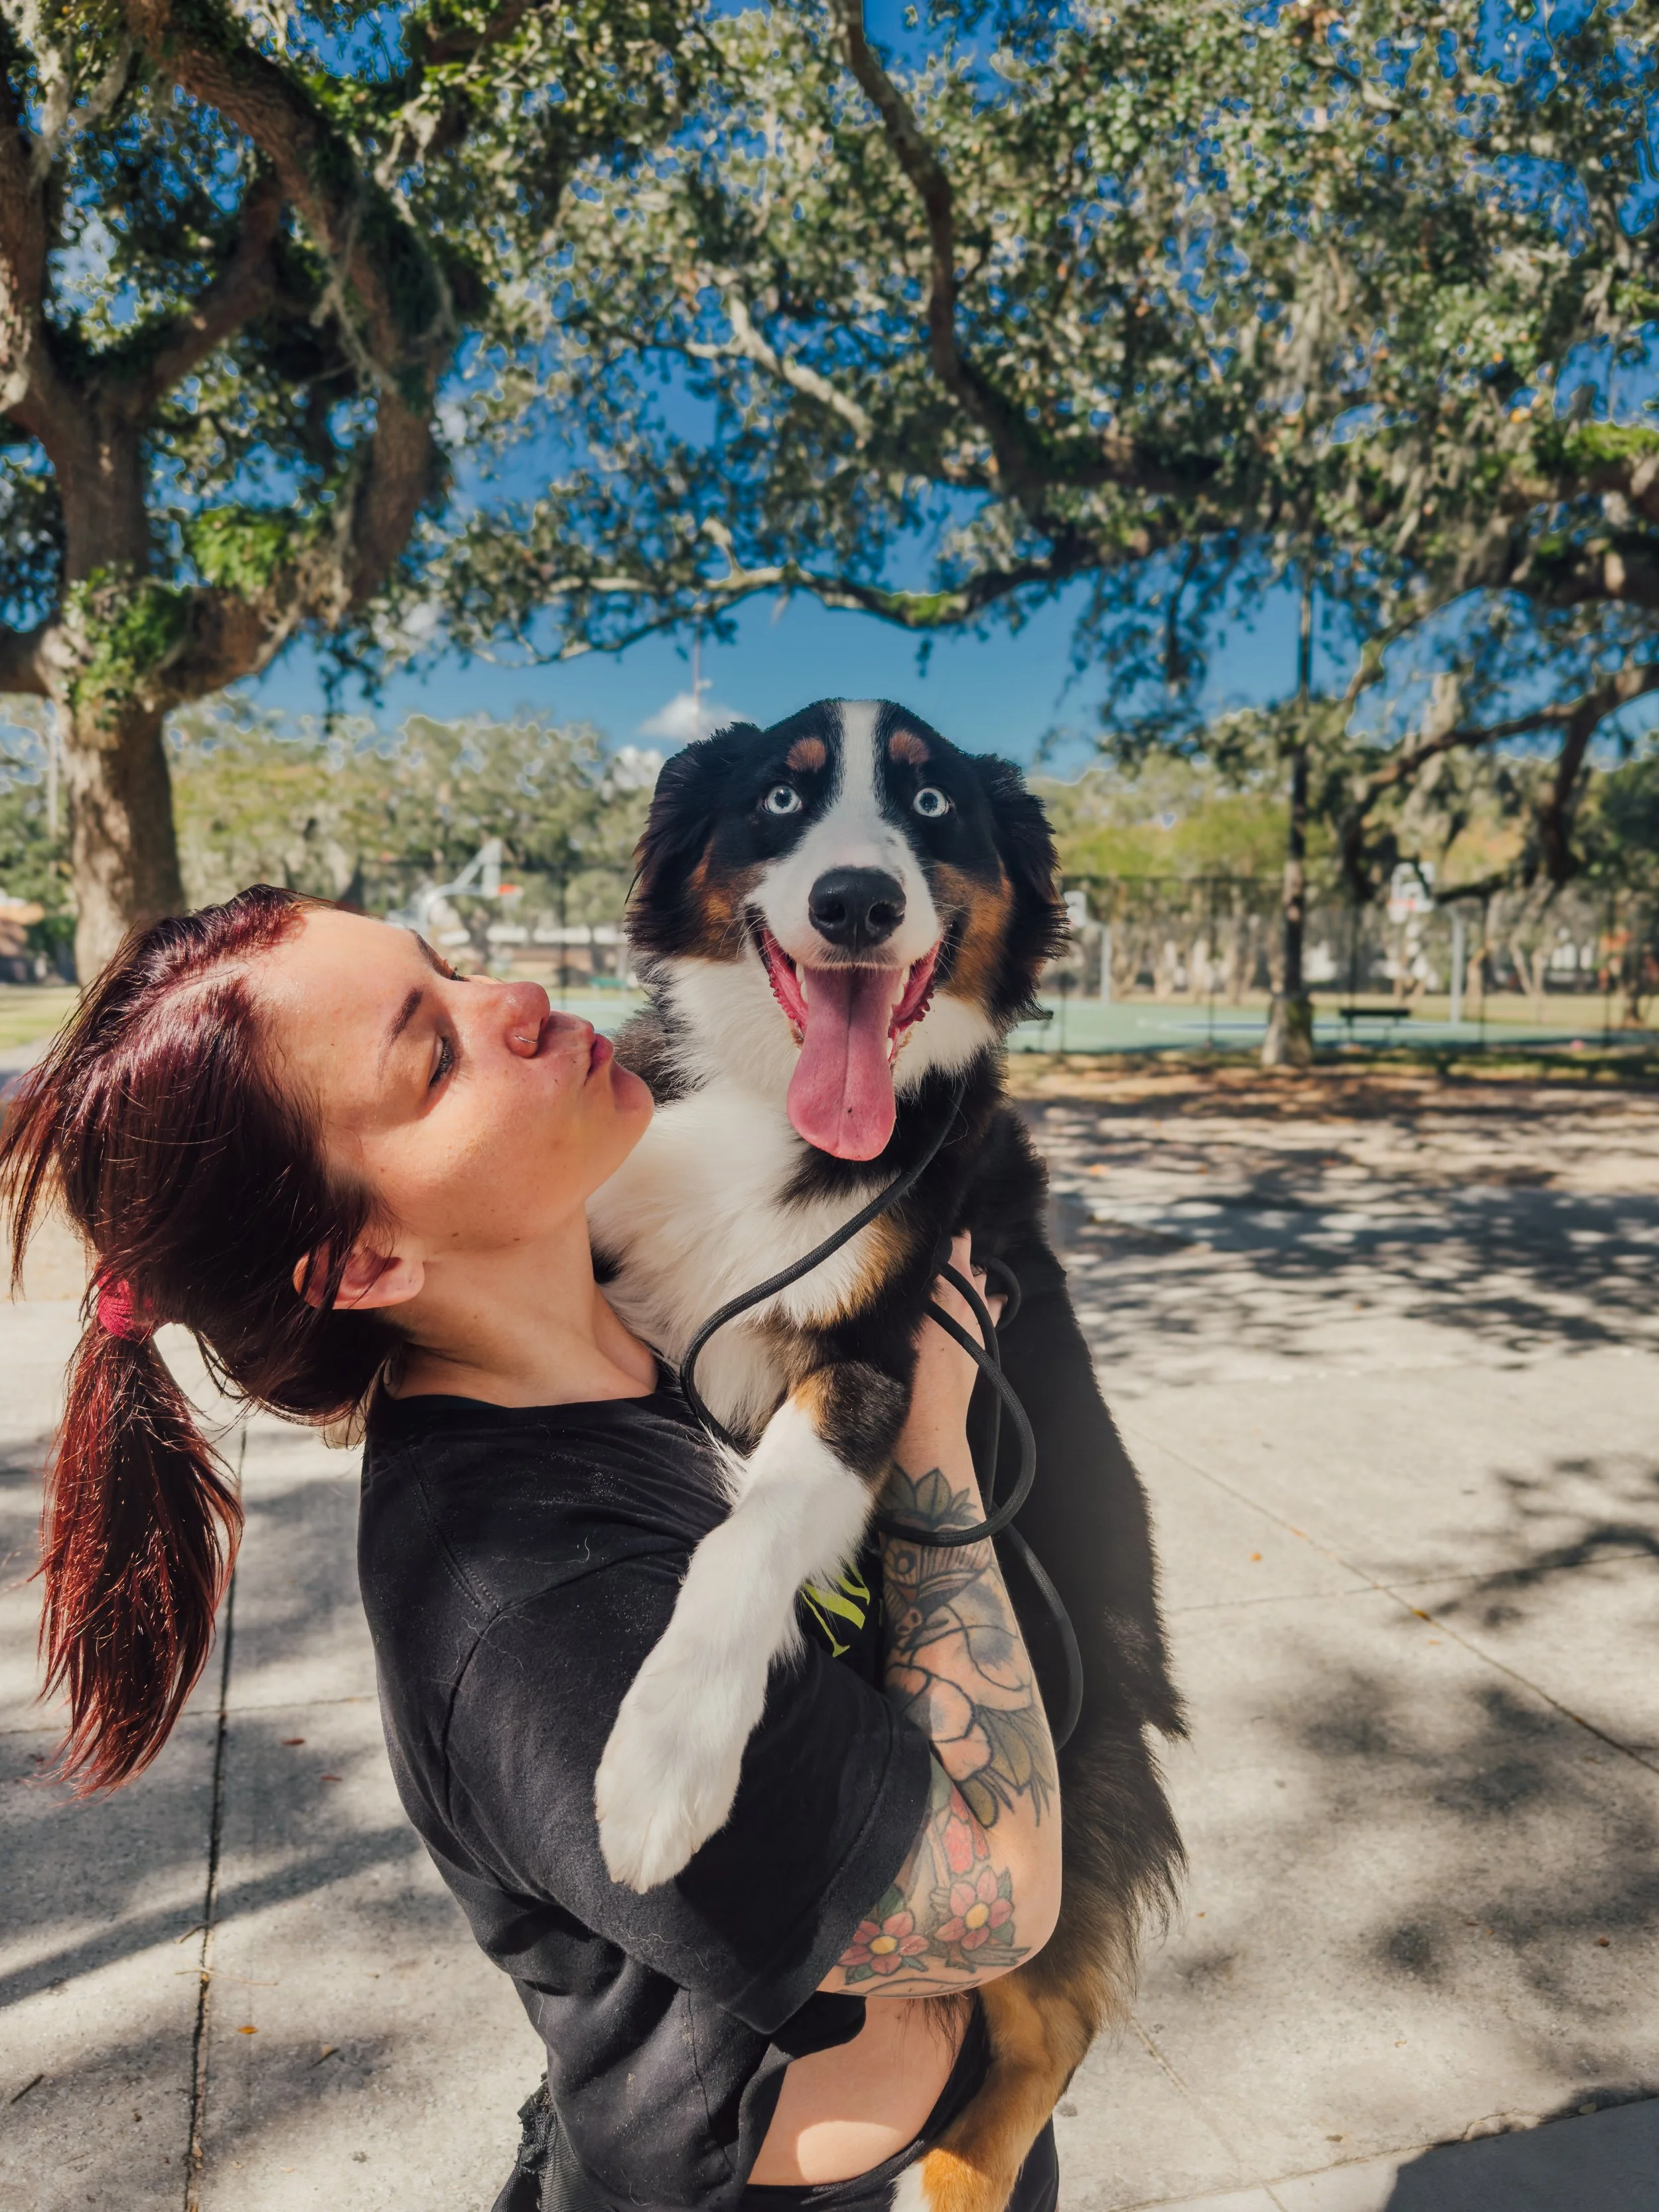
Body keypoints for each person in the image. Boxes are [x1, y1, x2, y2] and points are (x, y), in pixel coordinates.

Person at [2, 886, 1062, 2212]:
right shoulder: (542, 1612)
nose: (508, 999)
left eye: (445, 969)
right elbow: (998, 1902)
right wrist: (930, 1447)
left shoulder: (619, 1318)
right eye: (435, 1052)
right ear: (363, 1257)